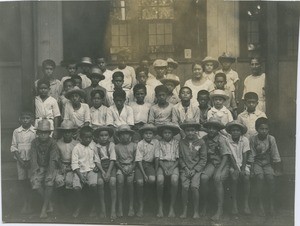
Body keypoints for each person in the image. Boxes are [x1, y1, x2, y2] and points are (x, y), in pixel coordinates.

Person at [249, 117, 282, 216]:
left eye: (266, 129)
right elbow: (252, 155)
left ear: (269, 129)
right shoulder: (253, 139)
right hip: (257, 163)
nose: (264, 131)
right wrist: (251, 170)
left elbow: (275, 155)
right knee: (260, 177)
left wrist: (277, 169)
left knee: (271, 178)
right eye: (261, 129)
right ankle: (260, 205)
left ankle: (271, 205)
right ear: (256, 129)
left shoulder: (271, 139)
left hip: (267, 163)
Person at [201, 118, 230, 221]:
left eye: (214, 128)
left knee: (217, 179)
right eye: (209, 128)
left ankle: (219, 209)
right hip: (211, 163)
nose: (211, 130)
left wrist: (219, 170)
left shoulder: (221, 139)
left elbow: (226, 157)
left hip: (222, 163)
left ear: (218, 129)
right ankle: (205, 204)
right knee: (204, 178)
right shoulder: (204, 139)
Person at [29, 119, 59, 218]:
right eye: (41, 132)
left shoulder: (53, 143)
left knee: (49, 182)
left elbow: (53, 159)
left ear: (49, 133)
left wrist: (49, 174)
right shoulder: (34, 142)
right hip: (39, 166)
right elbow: (33, 158)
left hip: (51, 166)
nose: (43, 135)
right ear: (37, 133)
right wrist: (35, 170)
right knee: (35, 183)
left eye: (45, 133)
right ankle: (49, 202)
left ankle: (44, 208)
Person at [178, 120, 207, 219]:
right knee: (185, 187)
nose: (190, 132)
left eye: (192, 130)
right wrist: (185, 168)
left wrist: (195, 170)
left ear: (196, 131)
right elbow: (180, 157)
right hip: (185, 169)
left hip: (196, 170)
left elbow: (203, 159)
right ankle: (184, 210)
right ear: (184, 131)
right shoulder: (181, 142)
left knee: (194, 187)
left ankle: (196, 211)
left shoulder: (201, 142)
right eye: (188, 130)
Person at [71, 126, 100, 218]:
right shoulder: (77, 148)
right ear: (81, 138)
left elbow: (97, 159)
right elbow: (74, 163)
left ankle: (94, 206)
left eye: (90, 137)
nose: (88, 139)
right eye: (85, 138)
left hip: (91, 170)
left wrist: (96, 167)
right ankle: (80, 204)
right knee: (76, 188)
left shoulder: (94, 145)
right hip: (80, 171)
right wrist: (80, 176)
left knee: (94, 185)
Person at [10, 111, 36, 214]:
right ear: (20, 119)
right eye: (23, 118)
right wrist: (21, 161)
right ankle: (25, 203)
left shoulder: (34, 131)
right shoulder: (16, 131)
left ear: (32, 119)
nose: (25, 120)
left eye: (27, 118)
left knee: (31, 181)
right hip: (20, 161)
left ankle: (31, 204)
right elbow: (13, 147)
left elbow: (35, 148)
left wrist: (30, 160)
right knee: (22, 182)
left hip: (31, 161)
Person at [225, 121, 251, 215]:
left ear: (241, 132)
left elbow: (245, 154)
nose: (235, 132)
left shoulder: (244, 140)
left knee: (246, 177)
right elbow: (230, 155)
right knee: (234, 178)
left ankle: (245, 203)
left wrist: (243, 169)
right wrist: (236, 168)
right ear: (230, 132)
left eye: (237, 130)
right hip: (232, 164)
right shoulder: (227, 140)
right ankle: (234, 203)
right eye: (233, 130)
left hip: (243, 164)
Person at [155, 123, 180, 218]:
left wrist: (172, 168)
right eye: (165, 132)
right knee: (160, 180)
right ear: (162, 134)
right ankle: (160, 207)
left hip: (174, 165)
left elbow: (178, 159)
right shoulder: (159, 143)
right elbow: (159, 159)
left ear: (172, 134)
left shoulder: (176, 143)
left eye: (169, 132)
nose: (167, 134)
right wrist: (165, 168)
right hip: (163, 165)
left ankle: (171, 208)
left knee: (174, 180)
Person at [54, 120, 79, 211]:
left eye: (69, 132)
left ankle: (71, 203)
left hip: (73, 167)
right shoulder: (58, 143)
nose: (67, 134)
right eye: (65, 132)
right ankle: (61, 203)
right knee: (59, 180)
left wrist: (71, 168)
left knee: (70, 180)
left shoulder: (76, 144)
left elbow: (77, 158)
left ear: (72, 133)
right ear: (62, 133)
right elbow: (56, 157)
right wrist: (61, 166)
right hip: (61, 166)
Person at [135, 124, 158, 217]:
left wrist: (155, 171)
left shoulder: (156, 142)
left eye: (150, 133)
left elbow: (156, 158)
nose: (148, 135)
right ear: (142, 135)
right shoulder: (140, 143)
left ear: (153, 134)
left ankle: (147, 199)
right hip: (140, 166)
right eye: (146, 133)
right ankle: (141, 205)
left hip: (150, 165)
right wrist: (144, 175)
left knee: (152, 180)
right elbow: (139, 160)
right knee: (140, 182)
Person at [94, 126, 117, 219]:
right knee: (99, 183)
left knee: (112, 182)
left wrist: (108, 173)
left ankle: (113, 209)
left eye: (106, 135)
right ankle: (103, 209)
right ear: (98, 137)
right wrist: (103, 172)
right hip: (101, 167)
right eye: (101, 135)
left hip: (111, 167)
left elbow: (112, 160)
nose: (104, 137)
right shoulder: (96, 146)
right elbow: (97, 161)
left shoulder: (111, 145)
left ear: (109, 136)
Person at [114, 125, 137, 217]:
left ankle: (131, 207)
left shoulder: (134, 146)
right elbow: (115, 160)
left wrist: (131, 168)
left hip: (131, 166)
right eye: (122, 134)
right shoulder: (116, 147)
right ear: (119, 136)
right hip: (121, 167)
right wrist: (121, 168)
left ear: (130, 135)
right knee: (120, 181)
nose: (124, 136)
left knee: (130, 181)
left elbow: (136, 160)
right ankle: (120, 207)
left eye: (126, 134)